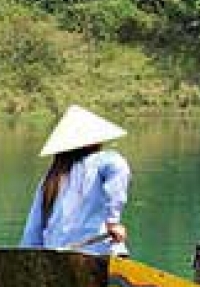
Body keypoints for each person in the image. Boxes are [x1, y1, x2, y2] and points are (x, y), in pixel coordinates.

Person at [20, 105, 132, 255]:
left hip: (56, 256)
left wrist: (28, 259)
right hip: (98, 254)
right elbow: (119, 168)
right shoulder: (103, 161)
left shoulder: (51, 179)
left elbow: (32, 233)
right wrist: (113, 222)